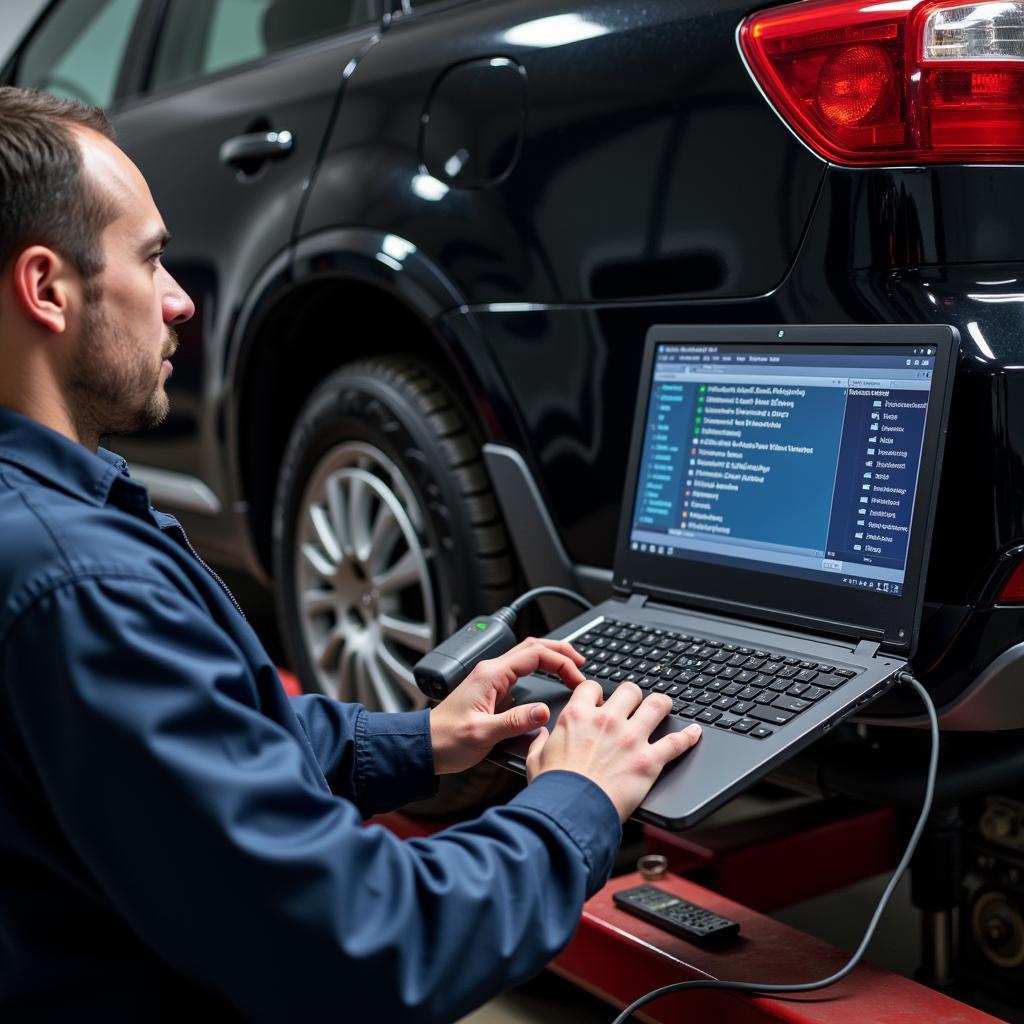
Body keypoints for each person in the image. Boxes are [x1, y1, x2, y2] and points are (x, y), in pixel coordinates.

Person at [0, 87, 701, 1021]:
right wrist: (575, 799)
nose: (181, 301)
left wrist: (426, 742)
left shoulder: (48, 529)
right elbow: (365, 940)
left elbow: (205, 745)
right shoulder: (81, 586)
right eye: (153, 258)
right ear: (46, 287)